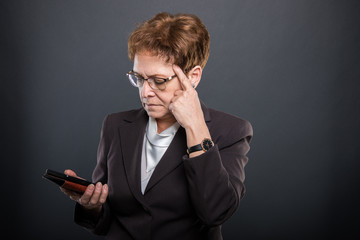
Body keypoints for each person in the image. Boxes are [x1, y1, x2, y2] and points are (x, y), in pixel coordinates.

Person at [60, 12, 253, 240]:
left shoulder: (231, 131)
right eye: (139, 78)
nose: (145, 92)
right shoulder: (115, 125)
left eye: (159, 81)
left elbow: (215, 212)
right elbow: (108, 221)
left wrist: (195, 126)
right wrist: (91, 207)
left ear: (193, 77)